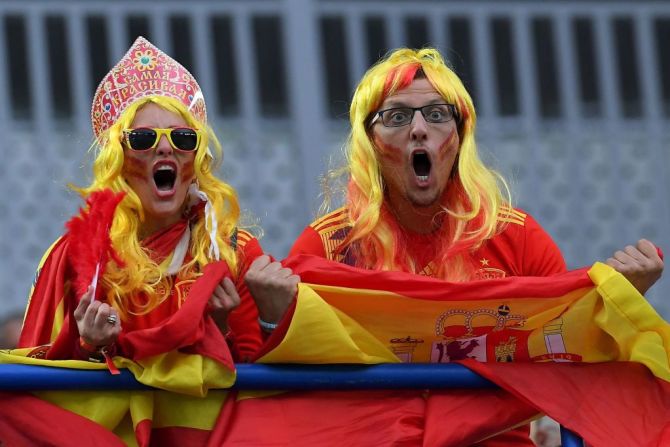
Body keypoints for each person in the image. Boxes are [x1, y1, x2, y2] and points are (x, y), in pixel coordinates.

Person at [287, 48, 664, 445]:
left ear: (460, 136)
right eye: (396, 116)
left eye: (436, 114)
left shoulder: (517, 238)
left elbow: (570, 347)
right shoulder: (325, 246)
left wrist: (621, 297)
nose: (418, 129)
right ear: (369, 142)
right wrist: (272, 314)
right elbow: (284, 372)